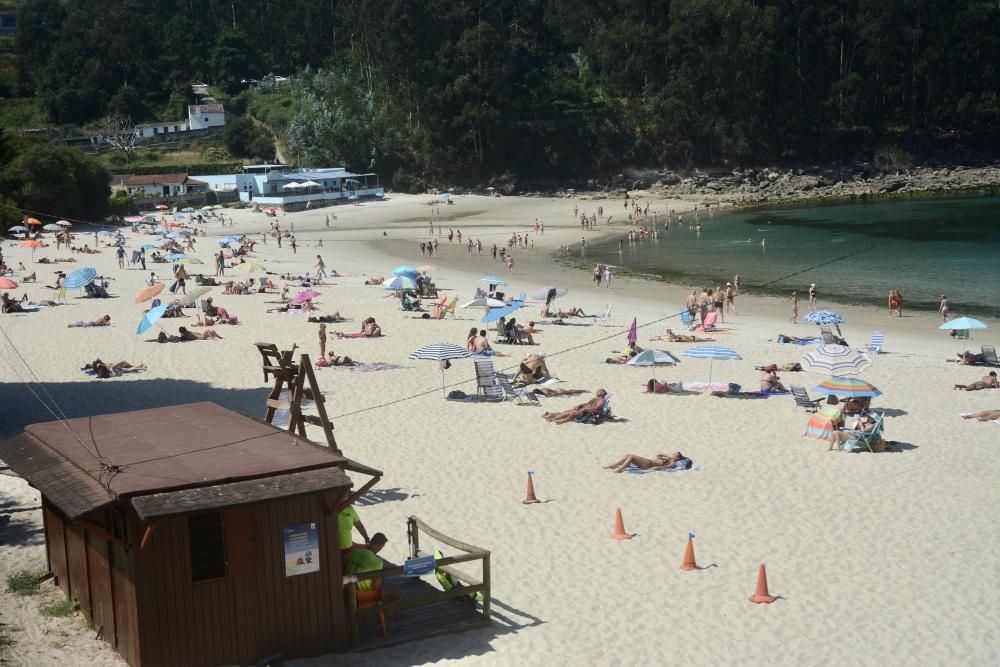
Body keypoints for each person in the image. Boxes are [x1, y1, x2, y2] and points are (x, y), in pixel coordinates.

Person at [343, 533, 402, 605]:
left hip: (345, 592)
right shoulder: (377, 562)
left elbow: (344, 563)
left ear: (371, 541)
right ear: (380, 546)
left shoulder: (355, 552)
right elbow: (376, 585)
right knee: (398, 593)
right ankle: (390, 613)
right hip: (361, 596)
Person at [542, 389, 607, 424]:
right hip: (583, 409)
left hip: (587, 412)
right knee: (568, 411)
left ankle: (562, 421)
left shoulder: (601, 401)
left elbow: (596, 408)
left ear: (603, 393)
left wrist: (585, 409)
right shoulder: (595, 399)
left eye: (600, 391)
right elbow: (587, 403)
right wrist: (579, 405)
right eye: (598, 391)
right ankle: (552, 415)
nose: (598, 391)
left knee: (573, 413)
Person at [604, 451, 691, 473]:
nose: (672, 454)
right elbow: (658, 455)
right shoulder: (668, 459)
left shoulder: (673, 463)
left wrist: (657, 468)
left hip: (648, 464)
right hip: (647, 462)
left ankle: (620, 469)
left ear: (677, 458)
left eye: (674, 454)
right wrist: (667, 456)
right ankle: (614, 465)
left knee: (631, 456)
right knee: (628, 455)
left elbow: (667, 467)